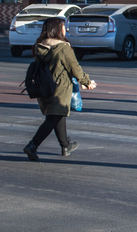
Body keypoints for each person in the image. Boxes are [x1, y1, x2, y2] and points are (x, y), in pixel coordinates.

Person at [22, 17, 97, 162]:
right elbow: (74, 67)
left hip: (44, 87)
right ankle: (33, 145)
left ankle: (65, 145)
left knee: (57, 114)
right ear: (56, 29)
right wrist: (86, 81)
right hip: (59, 88)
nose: (65, 29)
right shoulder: (63, 48)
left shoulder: (39, 46)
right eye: (63, 27)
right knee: (54, 117)